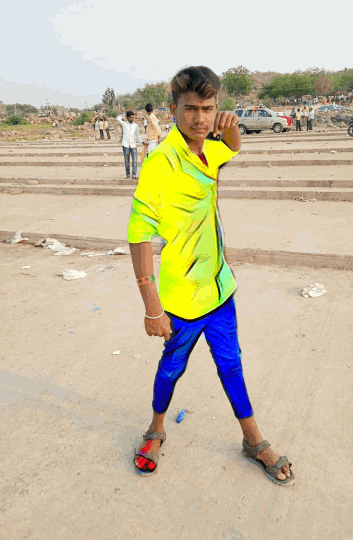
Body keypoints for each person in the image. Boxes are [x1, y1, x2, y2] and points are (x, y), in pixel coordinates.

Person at [127, 65, 295, 486]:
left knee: (231, 366)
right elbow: (138, 235)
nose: (199, 118)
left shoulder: (210, 149)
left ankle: (252, 440)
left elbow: (232, 149)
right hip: (181, 298)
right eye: (190, 109)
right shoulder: (160, 162)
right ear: (173, 110)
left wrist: (232, 126)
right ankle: (155, 430)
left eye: (208, 108)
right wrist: (151, 307)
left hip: (220, 290)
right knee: (171, 369)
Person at [116, 110, 145, 179]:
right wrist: (123, 114)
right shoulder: (124, 124)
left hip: (133, 145)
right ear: (127, 117)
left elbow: (138, 135)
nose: (132, 119)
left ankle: (134, 175)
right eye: (130, 117)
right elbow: (117, 119)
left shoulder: (135, 125)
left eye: (133, 117)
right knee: (127, 161)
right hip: (125, 145)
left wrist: (142, 141)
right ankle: (128, 174)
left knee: (134, 161)